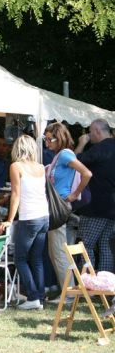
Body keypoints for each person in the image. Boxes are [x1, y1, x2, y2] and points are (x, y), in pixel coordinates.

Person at [0, 135, 49, 311]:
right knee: (36, 259)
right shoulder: (41, 167)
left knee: (20, 259)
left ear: (17, 149)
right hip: (44, 215)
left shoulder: (16, 166)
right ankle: (40, 297)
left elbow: (16, 194)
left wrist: (9, 220)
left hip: (29, 217)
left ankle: (33, 296)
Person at [43, 122, 92, 292]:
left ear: (59, 138)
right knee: (56, 252)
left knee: (58, 253)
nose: (46, 143)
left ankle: (69, 293)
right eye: (45, 139)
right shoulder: (59, 156)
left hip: (60, 207)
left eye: (49, 139)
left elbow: (87, 173)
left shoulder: (65, 155)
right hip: (57, 207)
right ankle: (68, 290)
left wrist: (73, 195)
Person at [75, 119, 115, 273]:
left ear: (98, 131)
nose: (89, 135)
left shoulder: (99, 149)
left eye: (90, 132)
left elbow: (74, 161)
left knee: (86, 245)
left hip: (95, 207)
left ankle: (87, 282)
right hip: (112, 207)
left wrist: (81, 144)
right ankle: (105, 286)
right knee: (106, 246)